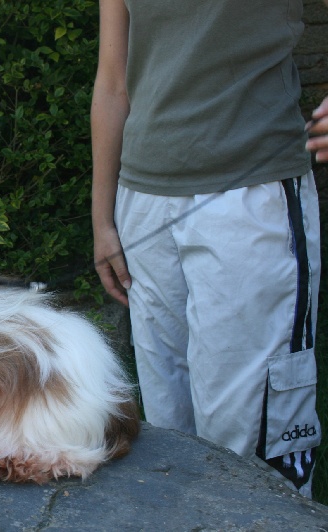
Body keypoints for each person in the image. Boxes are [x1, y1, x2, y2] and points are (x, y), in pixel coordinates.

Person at [91, 0, 324, 497]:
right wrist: (102, 217)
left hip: (251, 194)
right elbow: (113, 81)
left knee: (252, 444)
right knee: (169, 435)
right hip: (143, 202)